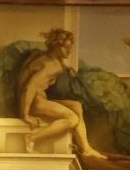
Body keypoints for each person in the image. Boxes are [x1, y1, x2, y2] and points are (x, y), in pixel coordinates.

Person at [16, 28, 106, 159]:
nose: (69, 51)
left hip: (40, 98)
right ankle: (32, 137)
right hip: (34, 101)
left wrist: (67, 69)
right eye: (66, 48)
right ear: (56, 46)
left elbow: (51, 68)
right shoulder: (51, 66)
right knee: (72, 119)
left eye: (70, 48)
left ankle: (86, 148)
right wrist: (25, 115)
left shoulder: (49, 58)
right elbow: (30, 87)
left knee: (77, 106)